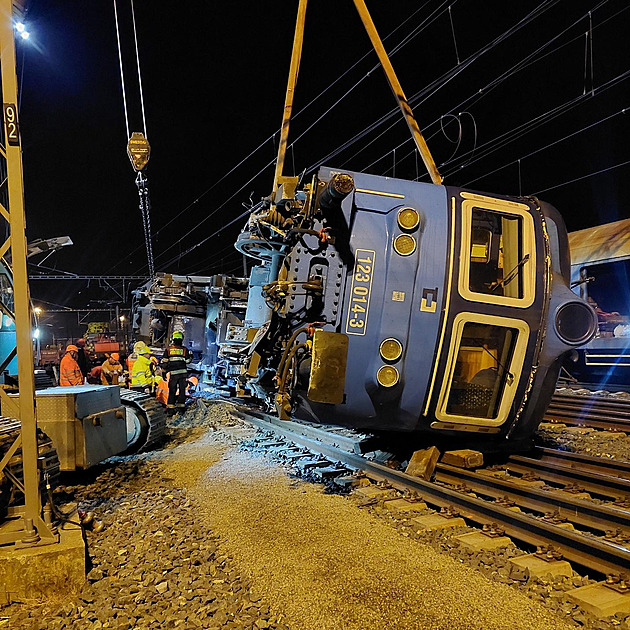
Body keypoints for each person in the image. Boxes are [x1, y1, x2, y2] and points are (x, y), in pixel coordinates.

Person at [161, 331, 191, 415]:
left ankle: (170, 409)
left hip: (173, 375)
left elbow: (165, 362)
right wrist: (191, 356)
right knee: (182, 390)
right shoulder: (184, 350)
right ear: (181, 340)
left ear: (173, 339)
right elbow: (188, 361)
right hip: (182, 374)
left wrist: (163, 372)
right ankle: (180, 409)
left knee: (172, 390)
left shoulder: (168, 350)